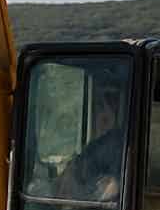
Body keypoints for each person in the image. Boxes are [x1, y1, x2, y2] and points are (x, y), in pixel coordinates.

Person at [54, 74, 127, 202]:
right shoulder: (94, 148)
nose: (101, 115)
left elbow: (114, 187)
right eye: (98, 106)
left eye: (106, 106)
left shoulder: (116, 144)